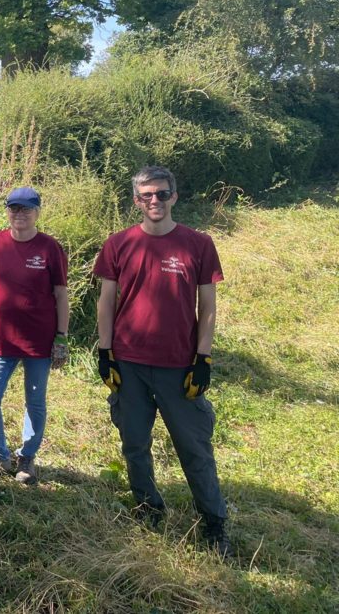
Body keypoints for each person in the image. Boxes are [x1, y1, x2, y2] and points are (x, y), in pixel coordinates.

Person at [94, 165, 232, 556]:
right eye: (146, 195)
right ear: (136, 200)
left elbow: (207, 306)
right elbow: (107, 301)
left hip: (178, 365)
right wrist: (106, 353)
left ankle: (214, 522)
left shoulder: (198, 244)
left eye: (162, 193)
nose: (154, 200)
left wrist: (202, 358)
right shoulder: (118, 244)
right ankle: (148, 508)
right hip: (129, 364)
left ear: (174, 195)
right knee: (134, 444)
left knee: (194, 448)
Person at [0, 187, 69, 485]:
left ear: (37, 211)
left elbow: (61, 294)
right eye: (14, 208)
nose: (19, 214)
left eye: (26, 208)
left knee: (34, 402)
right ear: (7, 211)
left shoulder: (50, 248)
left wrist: (62, 336)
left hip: (39, 340)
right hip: (2, 340)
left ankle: (27, 458)